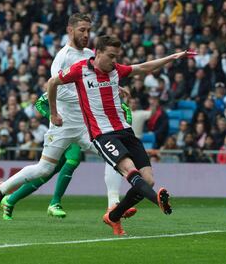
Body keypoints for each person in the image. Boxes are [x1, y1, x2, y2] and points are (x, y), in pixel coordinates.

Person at [0, 14, 133, 221]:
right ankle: (1, 190)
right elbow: (54, 86)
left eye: (89, 30)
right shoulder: (63, 57)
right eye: (82, 30)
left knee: (114, 157)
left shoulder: (91, 54)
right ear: (70, 30)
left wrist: (116, 87)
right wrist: (54, 113)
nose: (86, 35)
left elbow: (98, 77)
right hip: (62, 123)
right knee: (43, 168)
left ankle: (113, 207)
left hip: (86, 125)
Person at [44, 35, 195, 235]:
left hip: (125, 131)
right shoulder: (79, 70)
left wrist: (173, 57)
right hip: (103, 135)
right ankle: (155, 200)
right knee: (130, 171)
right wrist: (54, 113)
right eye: (111, 56)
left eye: (117, 57)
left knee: (148, 180)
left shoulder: (115, 71)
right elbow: (52, 83)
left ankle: (113, 216)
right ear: (98, 53)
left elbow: (144, 67)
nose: (115, 61)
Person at [0, 92, 134, 220]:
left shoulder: (91, 89)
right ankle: (54, 203)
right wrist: (53, 117)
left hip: (80, 134)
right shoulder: (63, 84)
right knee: (72, 160)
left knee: (46, 174)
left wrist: (124, 118)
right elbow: (40, 103)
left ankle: (10, 200)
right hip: (62, 132)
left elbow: (120, 116)